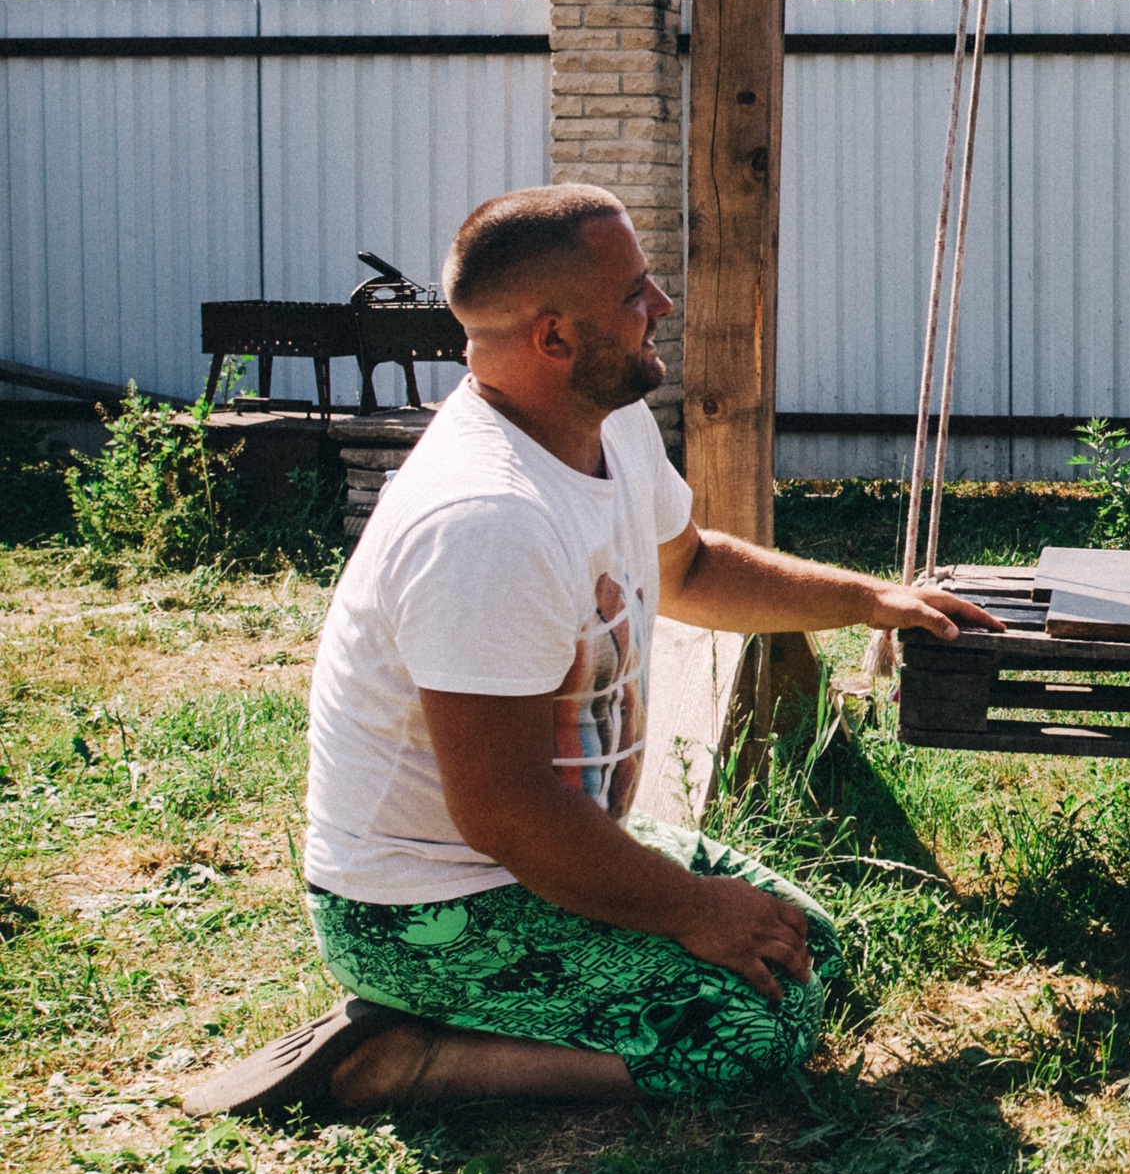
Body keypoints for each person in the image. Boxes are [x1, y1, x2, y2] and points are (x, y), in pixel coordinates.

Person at [184, 184, 998, 1121]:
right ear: (554, 338)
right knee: (753, 1027)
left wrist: (868, 600)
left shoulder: (610, 424)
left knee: (810, 946)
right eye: (634, 292)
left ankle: (476, 1027)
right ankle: (401, 1058)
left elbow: (689, 567)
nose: (658, 304)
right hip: (426, 907)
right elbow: (507, 813)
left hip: (551, 846)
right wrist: (696, 908)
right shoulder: (486, 521)